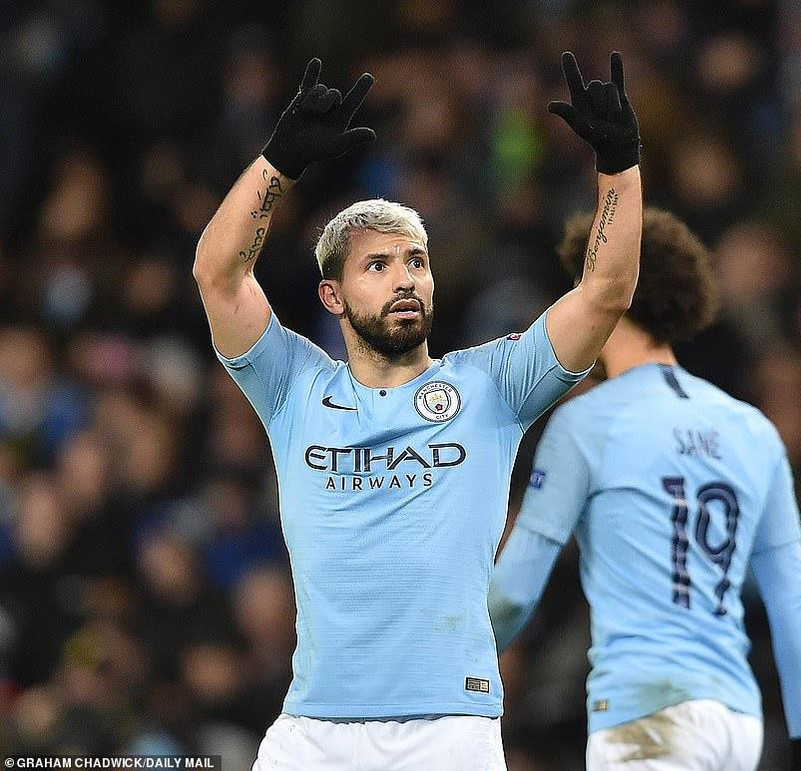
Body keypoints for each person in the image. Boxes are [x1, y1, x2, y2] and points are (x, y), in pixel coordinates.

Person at [192, 51, 642, 770]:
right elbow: (218, 274)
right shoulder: (293, 386)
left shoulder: (492, 384)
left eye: (417, 262)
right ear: (332, 296)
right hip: (312, 731)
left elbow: (606, 293)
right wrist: (276, 162)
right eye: (378, 265)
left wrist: (618, 165)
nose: (405, 279)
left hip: (447, 730)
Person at [488, 208, 801, 771]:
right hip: (735, 722)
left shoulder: (588, 423)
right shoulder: (751, 428)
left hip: (645, 714)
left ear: (609, 296)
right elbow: (791, 599)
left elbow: (515, 592)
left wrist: (435, 665)